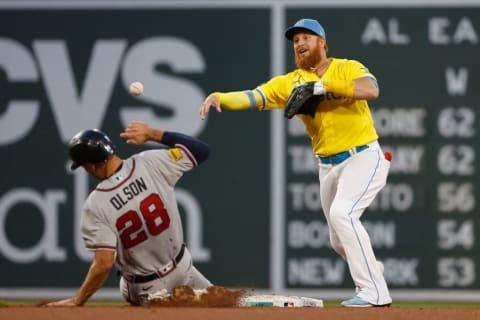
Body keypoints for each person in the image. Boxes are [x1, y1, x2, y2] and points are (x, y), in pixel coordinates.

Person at [199, 18, 392, 307]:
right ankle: (374, 272)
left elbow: (371, 89)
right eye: (295, 40)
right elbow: (254, 96)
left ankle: (375, 291)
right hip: (328, 166)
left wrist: (322, 87)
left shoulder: (347, 67)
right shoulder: (290, 83)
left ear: (323, 43)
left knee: (343, 214)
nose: (299, 43)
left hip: (363, 156)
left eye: (306, 37)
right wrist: (221, 97)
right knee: (339, 240)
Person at [46, 121, 212, 306]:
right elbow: (201, 150)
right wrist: (152, 134)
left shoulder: (95, 204)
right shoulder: (150, 162)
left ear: (90, 165)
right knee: (227, 305)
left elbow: (103, 265)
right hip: (168, 277)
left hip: (150, 283)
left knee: (225, 303)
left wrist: (78, 300)